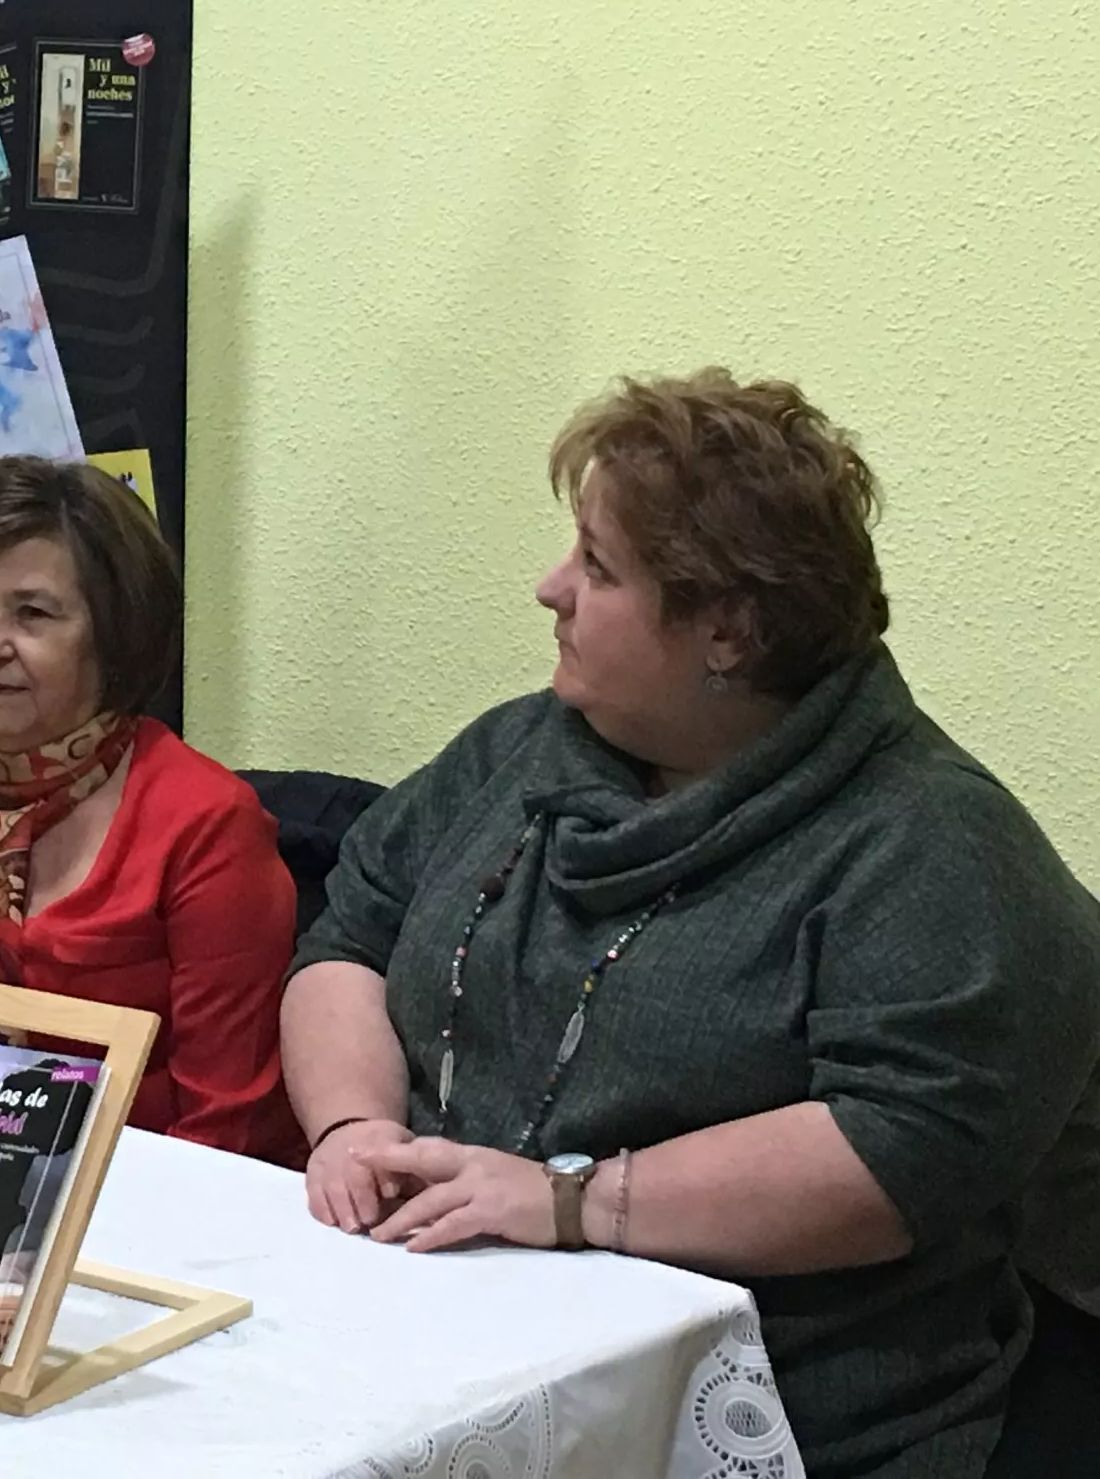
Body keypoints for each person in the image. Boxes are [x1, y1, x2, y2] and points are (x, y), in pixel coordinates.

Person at [281, 369, 1100, 1479]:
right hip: (433, 1345)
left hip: (767, 1416)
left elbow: (900, 1148)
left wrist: (569, 1202)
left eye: (597, 567)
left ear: (729, 631)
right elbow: (352, 936)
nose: (549, 589)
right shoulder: (519, 748)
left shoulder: (934, 848)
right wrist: (351, 1131)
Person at [0, 455, 304, 1160]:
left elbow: (226, 1129)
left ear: (113, 634)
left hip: (137, 1196)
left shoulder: (207, 827)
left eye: (34, 614)